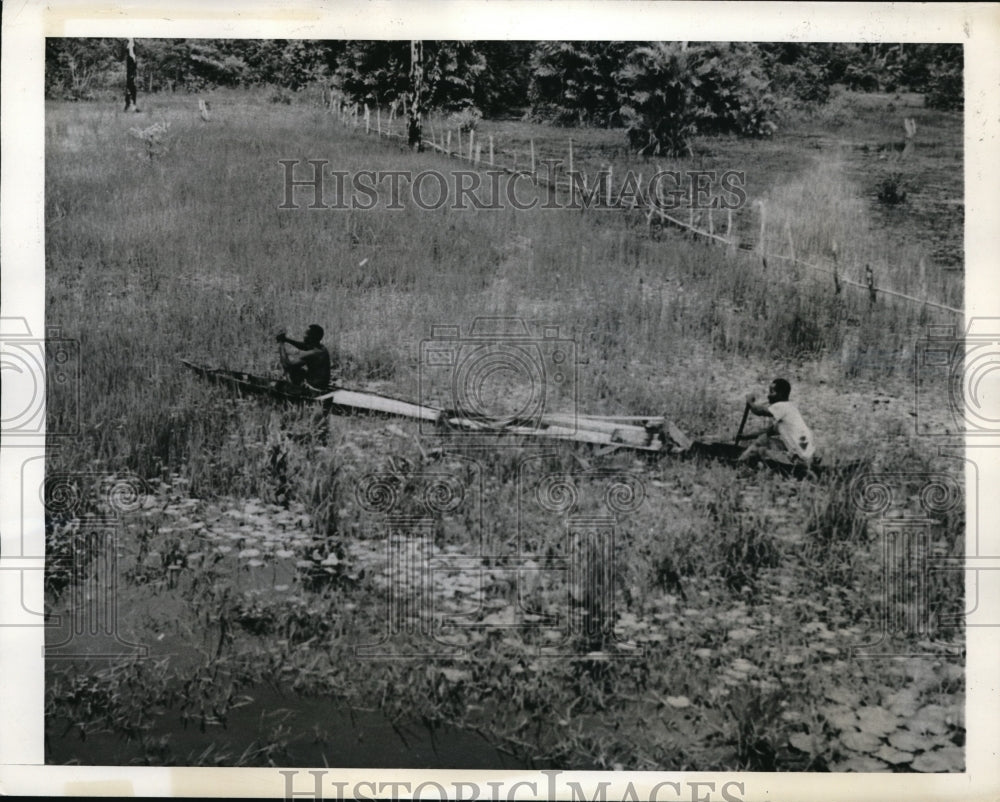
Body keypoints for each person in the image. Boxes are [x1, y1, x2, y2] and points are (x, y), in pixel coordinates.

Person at [736, 378, 816, 466]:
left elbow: (758, 411)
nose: (768, 396)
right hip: (807, 456)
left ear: (780, 394)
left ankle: (739, 463)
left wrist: (750, 402)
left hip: (800, 459)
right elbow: (766, 432)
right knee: (764, 439)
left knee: (761, 450)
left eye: (772, 392)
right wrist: (745, 437)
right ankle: (740, 460)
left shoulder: (783, 406)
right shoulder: (788, 412)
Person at [276, 324, 332, 391]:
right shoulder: (322, 348)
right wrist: (286, 339)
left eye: (306, 334)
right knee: (299, 371)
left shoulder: (313, 353)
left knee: (292, 371)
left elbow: (287, 365)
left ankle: (296, 390)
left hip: (315, 386)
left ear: (311, 338)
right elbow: (305, 346)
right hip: (322, 383)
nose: (303, 336)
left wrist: (281, 345)